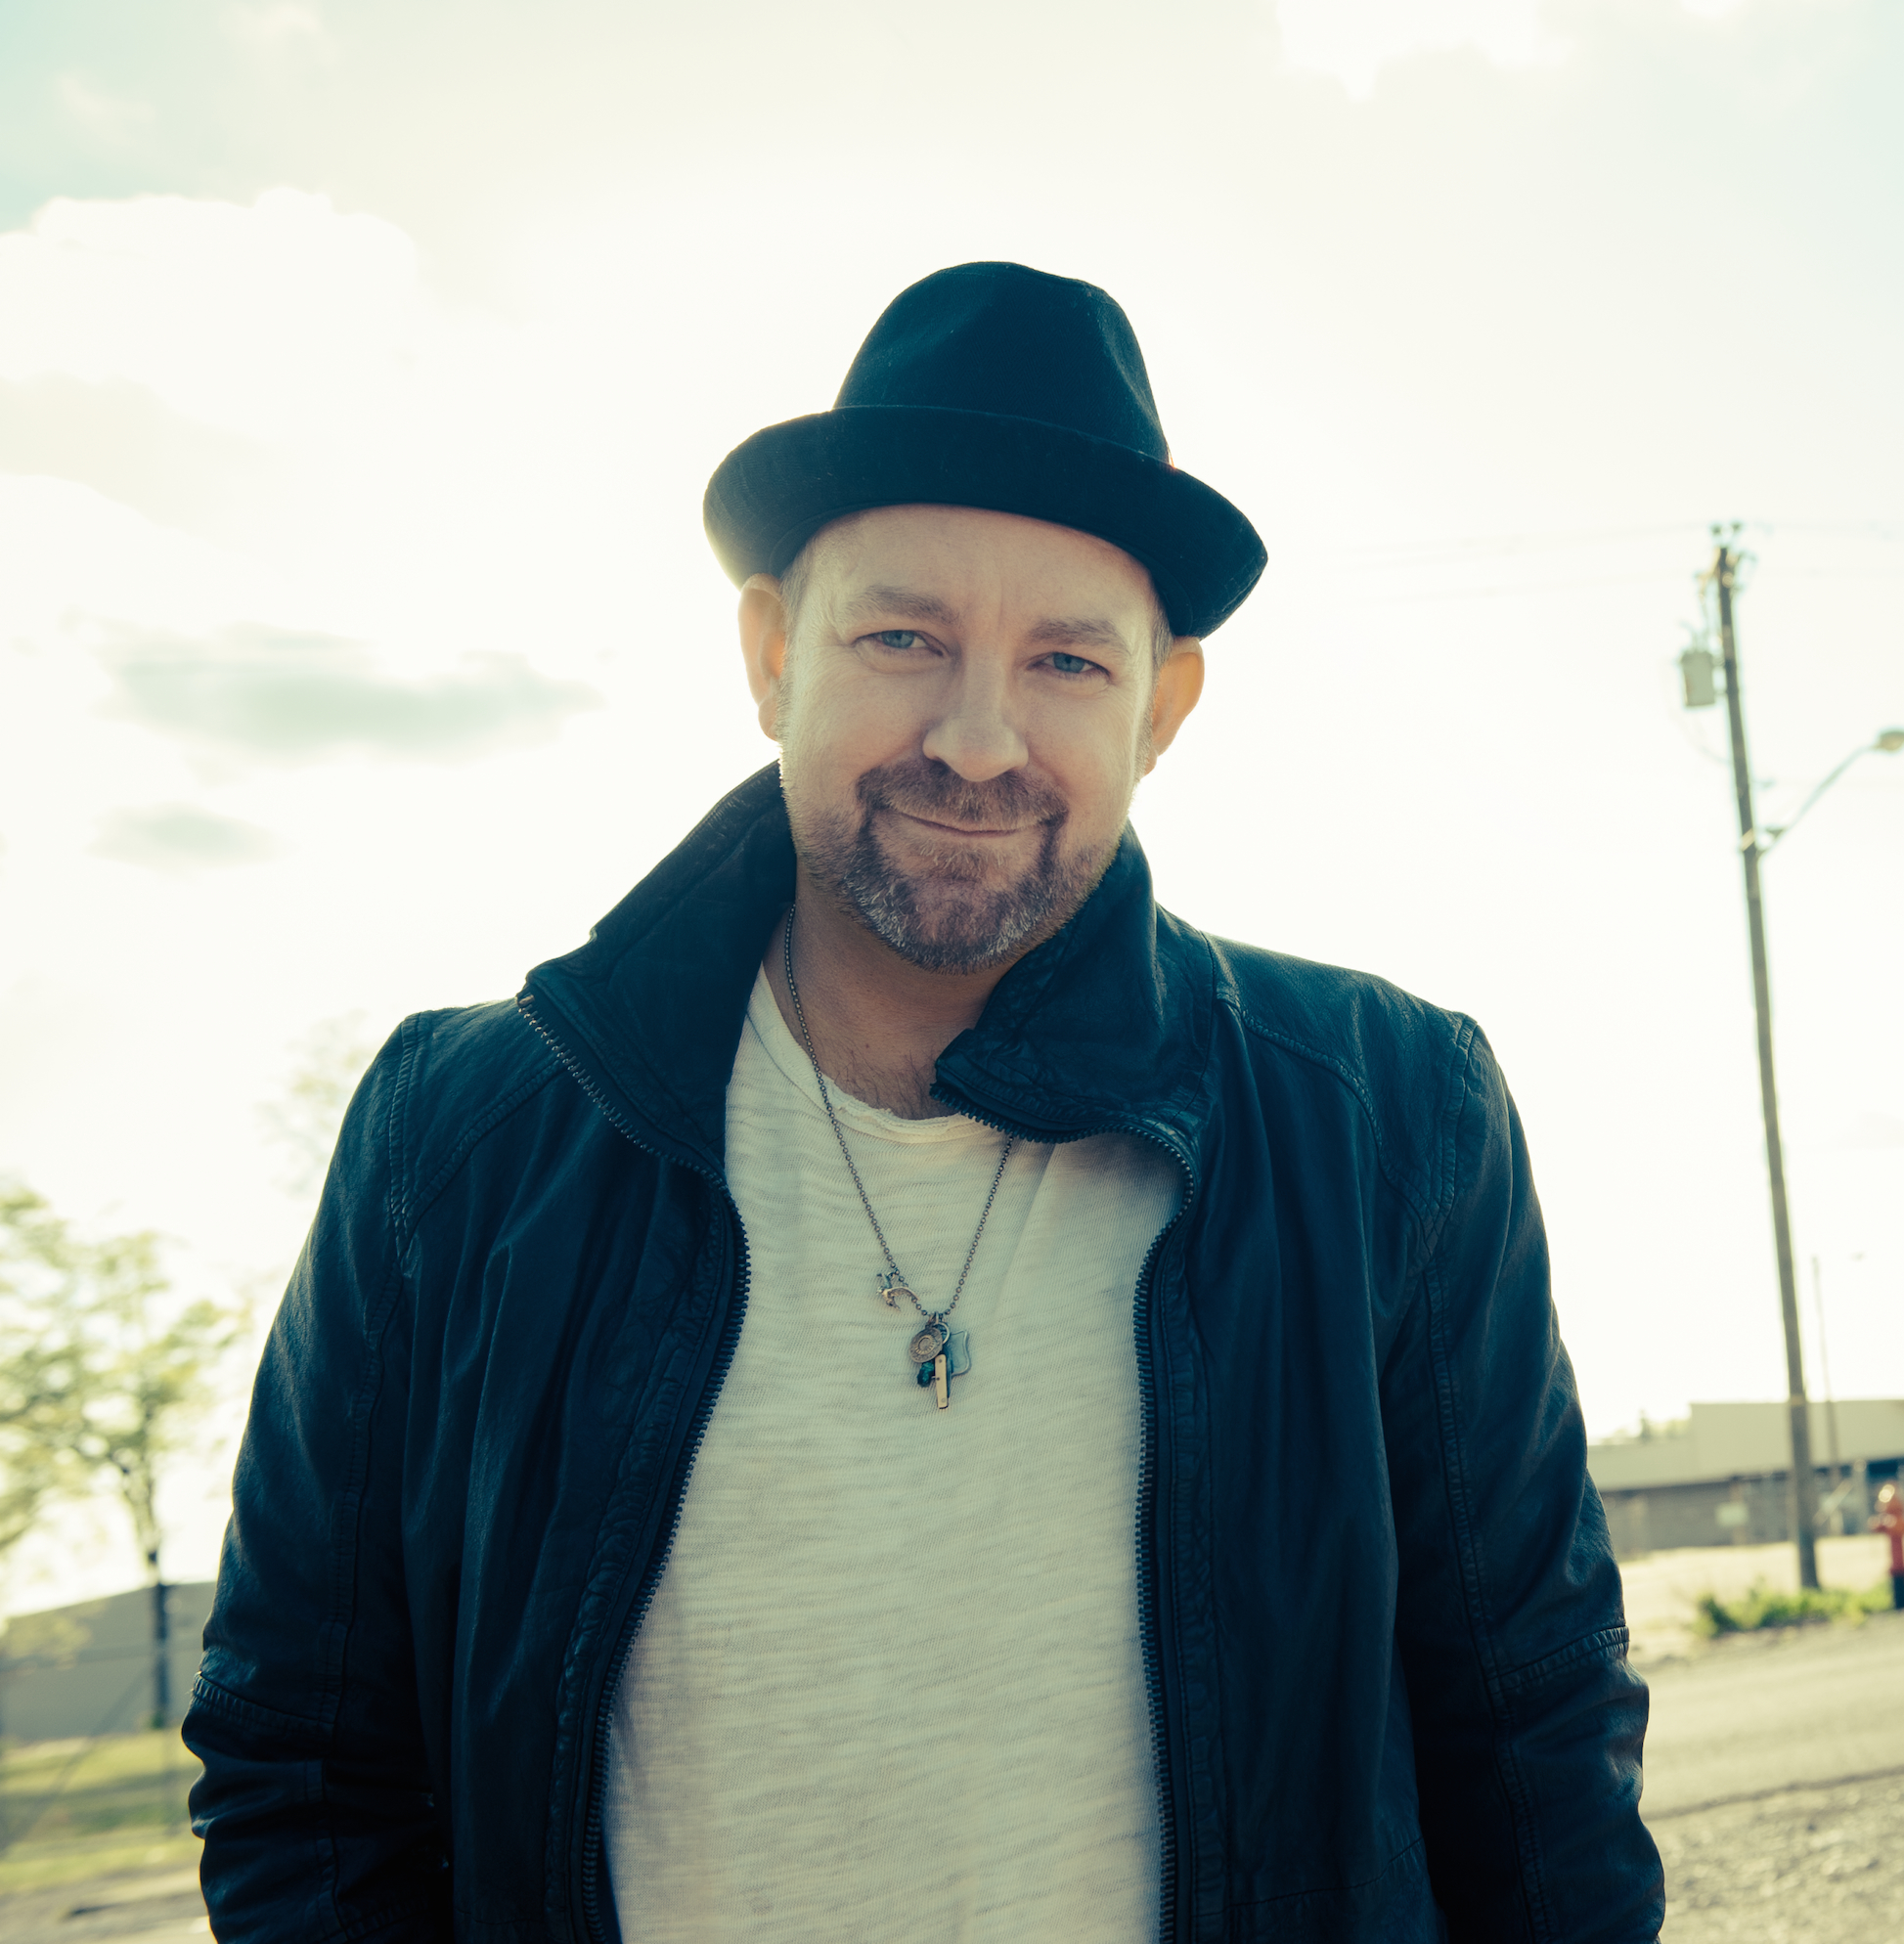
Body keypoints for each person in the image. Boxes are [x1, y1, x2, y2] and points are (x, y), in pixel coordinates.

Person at [183, 263, 1663, 1941]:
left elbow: (1533, 1743)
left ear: (1164, 710)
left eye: (1067, 662)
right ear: (770, 654)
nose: (976, 739)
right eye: (904, 639)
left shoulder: (1388, 1117)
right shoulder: (460, 1142)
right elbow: (304, 1763)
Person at [1872, 1480, 1904, 1611]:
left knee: (1899, 1572)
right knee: (1899, 1572)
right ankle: (1902, 1603)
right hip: (1898, 1564)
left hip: (1898, 1564)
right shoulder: (1897, 1521)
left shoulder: (1893, 1522)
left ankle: (1901, 1603)